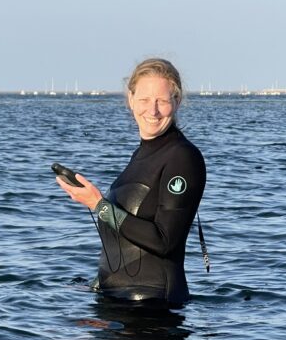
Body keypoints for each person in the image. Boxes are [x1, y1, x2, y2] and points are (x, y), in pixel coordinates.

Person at [56, 58, 206, 308]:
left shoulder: (182, 158)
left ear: (177, 102)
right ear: (131, 99)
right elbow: (124, 242)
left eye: (162, 101)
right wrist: (93, 286)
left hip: (153, 310)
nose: (153, 110)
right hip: (117, 303)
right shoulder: (141, 155)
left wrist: (99, 205)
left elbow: (165, 241)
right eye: (145, 100)